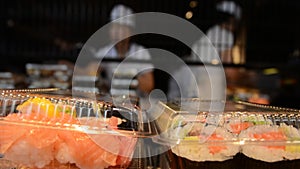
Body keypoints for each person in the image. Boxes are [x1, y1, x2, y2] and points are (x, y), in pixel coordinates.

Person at [94, 4, 154, 98]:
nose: (117, 32)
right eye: (114, 27)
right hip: (112, 101)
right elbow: (90, 73)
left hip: (138, 103)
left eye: (121, 28)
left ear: (131, 31)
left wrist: (130, 76)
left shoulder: (141, 52)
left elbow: (149, 86)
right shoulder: (105, 51)